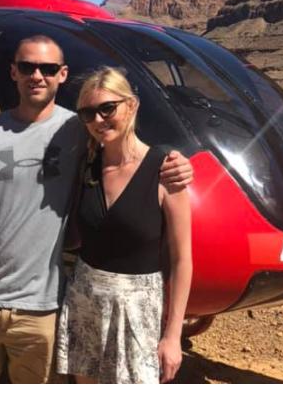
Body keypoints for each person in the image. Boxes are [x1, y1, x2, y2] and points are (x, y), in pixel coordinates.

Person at [0, 35, 193, 384]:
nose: (37, 75)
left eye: (48, 68)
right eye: (27, 66)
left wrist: (180, 162)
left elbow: (128, 143)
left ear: (62, 73)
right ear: (13, 72)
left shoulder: (79, 130)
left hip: (43, 309)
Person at [56, 66, 193, 384]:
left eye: (107, 108)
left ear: (131, 105)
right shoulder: (87, 166)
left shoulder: (165, 171)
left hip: (137, 310)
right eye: (88, 114)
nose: (98, 120)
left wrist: (173, 335)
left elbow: (182, 259)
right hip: (85, 300)